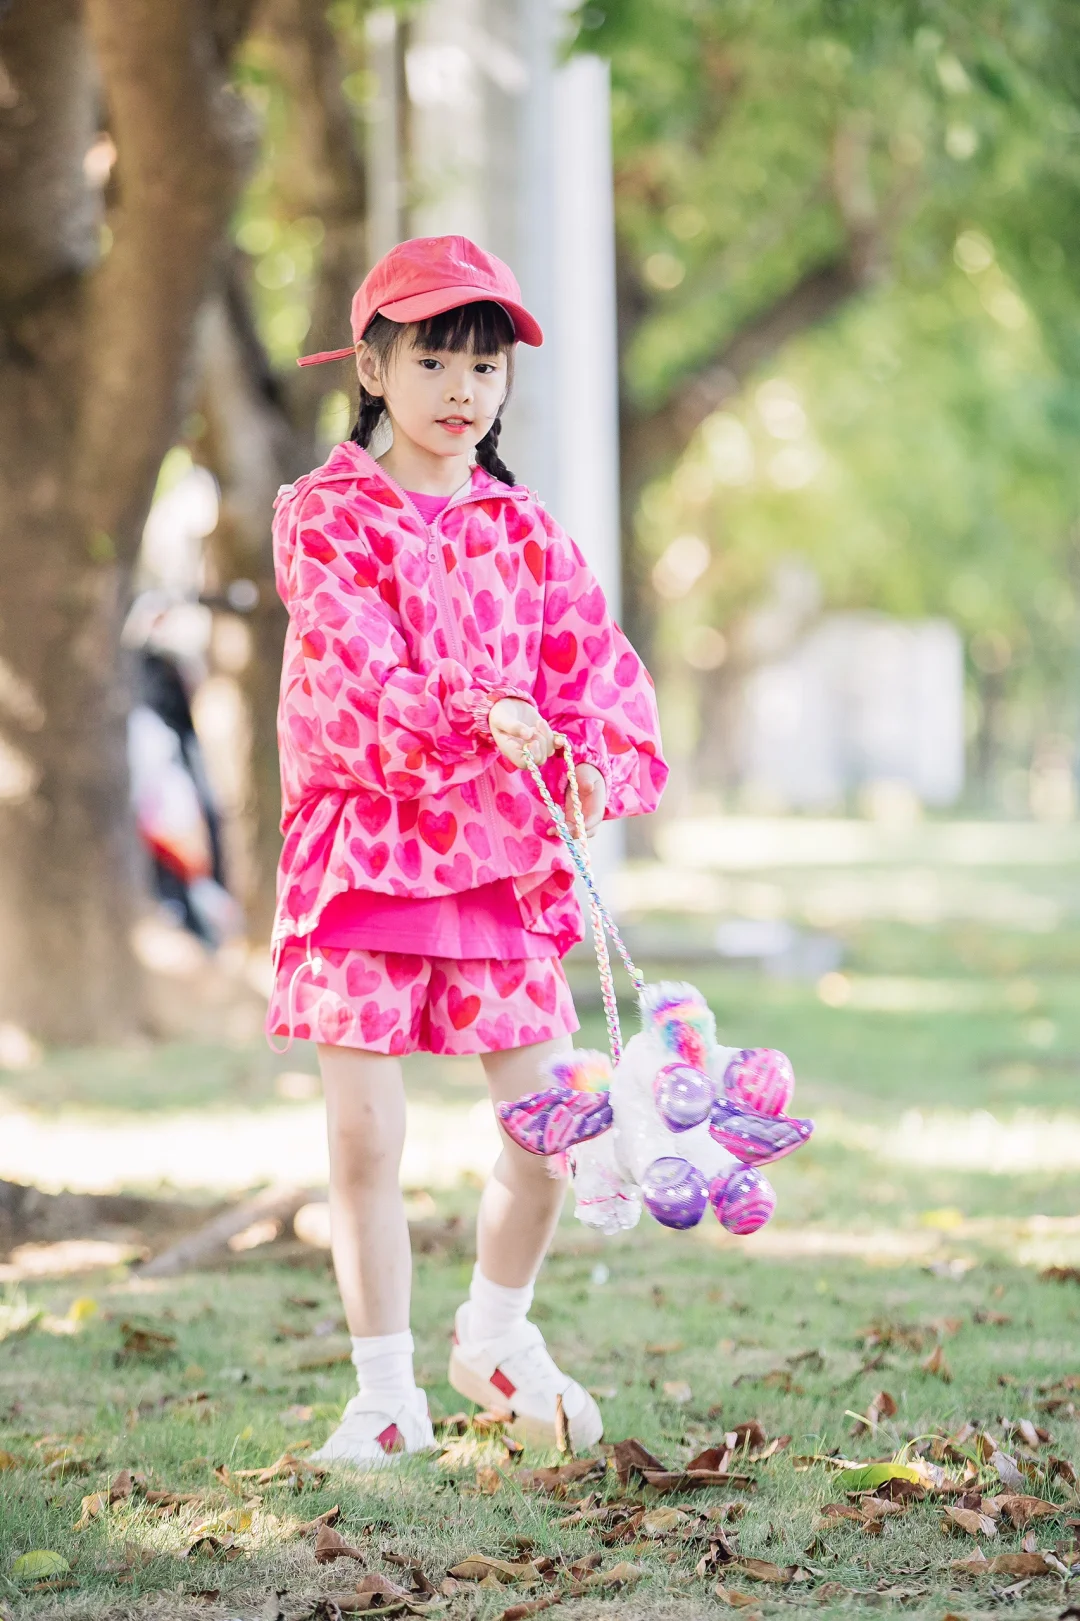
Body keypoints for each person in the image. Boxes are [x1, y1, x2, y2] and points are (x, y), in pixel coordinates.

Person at [267, 235, 667, 1467]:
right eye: (434, 360)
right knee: (363, 1137)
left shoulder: (526, 531)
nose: (461, 389)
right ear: (372, 368)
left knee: (548, 1131)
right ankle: (383, 1392)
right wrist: (476, 711)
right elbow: (351, 662)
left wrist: (588, 760)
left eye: (484, 367)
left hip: (496, 865)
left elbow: (592, 669)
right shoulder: (325, 516)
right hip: (365, 860)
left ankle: (493, 1331)